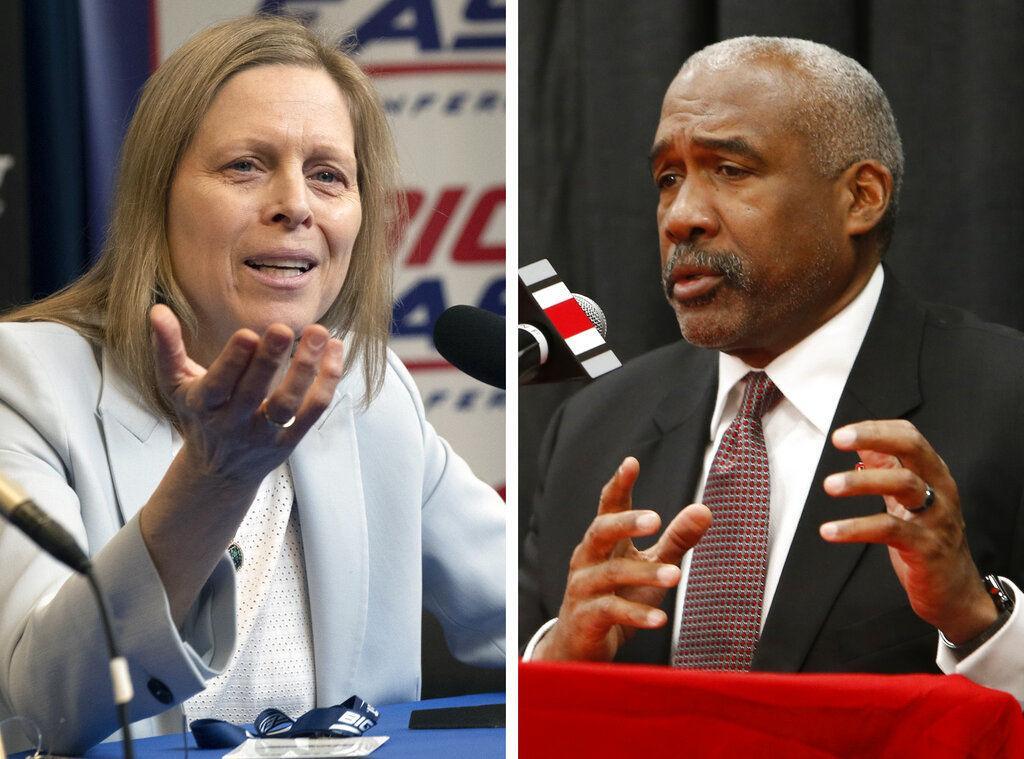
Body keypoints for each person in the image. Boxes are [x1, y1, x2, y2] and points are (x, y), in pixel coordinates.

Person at [0, 16, 505, 754]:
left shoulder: (371, 392)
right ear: (156, 197)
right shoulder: (27, 382)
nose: (295, 204)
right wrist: (213, 480)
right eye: (245, 166)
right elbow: (41, 704)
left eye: (328, 174)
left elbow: (519, 625)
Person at [520, 36, 1024, 700]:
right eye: (668, 179)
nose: (682, 217)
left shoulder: (1006, 398)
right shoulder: (592, 428)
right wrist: (558, 660)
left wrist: (975, 621)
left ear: (861, 197)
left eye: (730, 169)